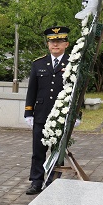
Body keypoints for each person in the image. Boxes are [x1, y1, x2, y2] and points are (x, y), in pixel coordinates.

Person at [24, 26, 70, 195]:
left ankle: (53, 181)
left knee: (57, 151)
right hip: (41, 114)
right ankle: (36, 181)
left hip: (61, 115)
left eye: (59, 41)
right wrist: (28, 112)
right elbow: (32, 90)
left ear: (66, 44)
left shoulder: (72, 63)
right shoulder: (38, 64)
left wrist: (77, 114)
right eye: (52, 42)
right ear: (48, 44)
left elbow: (77, 91)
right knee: (38, 150)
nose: (55, 45)